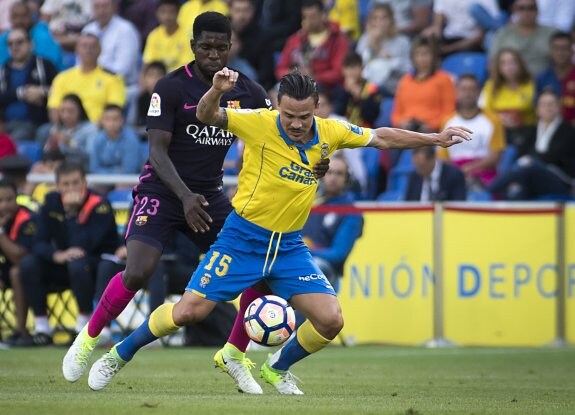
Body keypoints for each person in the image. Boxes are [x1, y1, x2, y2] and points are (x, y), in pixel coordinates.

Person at [86, 70, 471, 394]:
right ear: (278, 107)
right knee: (188, 312)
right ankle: (119, 353)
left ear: (316, 108)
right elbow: (206, 115)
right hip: (243, 238)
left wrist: (435, 139)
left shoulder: (331, 132)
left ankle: (276, 367)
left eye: (304, 116)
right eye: (289, 115)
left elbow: (382, 136)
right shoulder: (258, 122)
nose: (298, 123)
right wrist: (217, 90)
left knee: (331, 321)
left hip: (288, 247)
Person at [62, 12, 329, 394]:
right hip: (162, 191)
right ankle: (87, 340)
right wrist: (184, 196)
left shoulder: (250, 93)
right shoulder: (169, 88)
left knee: (262, 274)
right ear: (193, 46)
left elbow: (281, 140)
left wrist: (317, 161)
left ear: (231, 47)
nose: (214, 54)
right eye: (206, 47)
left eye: (221, 47)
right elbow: (156, 151)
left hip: (208, 197)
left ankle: (234, 356)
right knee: (139, 270)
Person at [19, 161, 119, 344]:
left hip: (97, 265)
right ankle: (42, 329)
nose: (71, 188)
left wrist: (72, 214)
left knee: (78, 263)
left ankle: (84, 325)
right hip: (65, 263)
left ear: (84, 182)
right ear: (57, 186)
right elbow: (38, 243)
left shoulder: (100, 205)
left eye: (75, 183)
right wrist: (56, 255)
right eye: (66, 184)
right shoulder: (51, 202)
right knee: (28, 263)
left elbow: (86, 246)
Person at [487, 89, 575, 199]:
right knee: (517, 187)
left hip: (559, 180)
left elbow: (554, 156)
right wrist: (530, 161)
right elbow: (521, 154)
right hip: (532, 176)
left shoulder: (568, 131)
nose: (547, 108)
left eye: (551, 104)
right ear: (537, 110)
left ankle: (489, 190)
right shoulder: (532, 131)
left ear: (559, 108)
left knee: (529, 163)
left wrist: (532, 161)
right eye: (543, 105)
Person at [301, 156, 363, 293]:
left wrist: (305, 252)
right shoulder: (310, 201)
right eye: (329, 172)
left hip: (326, 270)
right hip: (300, 261)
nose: (333, 177)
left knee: (311, 269)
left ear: (347, 179)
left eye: (339, 173)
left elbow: (338, 254)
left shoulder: (351, 211)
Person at [438, 74, 506, 188]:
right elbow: (442, 157)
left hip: (484, 173)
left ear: (479, 92)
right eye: (463, 89)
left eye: (472, 89)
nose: (467, 93)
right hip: (454, 174)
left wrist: (470, 169)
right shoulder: (447, 121)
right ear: (457, 92)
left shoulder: (493, 120)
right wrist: (458, 172)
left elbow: (496, 156)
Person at [47, 33, 126, 124]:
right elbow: (54, 107)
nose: (88, 50)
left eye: (93, 46)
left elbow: (114, 110)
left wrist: (97, 126)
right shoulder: (62, 77)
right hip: (67, 127)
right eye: (84, 46)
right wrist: (58, 128)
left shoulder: (113, 78)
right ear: (76, 50)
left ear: (100, 50)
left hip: (98, 128)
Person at [275, 0, 349, 94]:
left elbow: (338, 73)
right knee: (274, 92)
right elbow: (280, 69)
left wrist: (314, 77)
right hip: (295, 84)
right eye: (305, 17)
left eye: (313, 16)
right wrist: (294, 74)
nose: (308, 21)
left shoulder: (338, 40)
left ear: (323, 15)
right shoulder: (295, 39)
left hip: (325, 88)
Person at [0, 28, 58, 142]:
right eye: (10, 44)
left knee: (16, 139)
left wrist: (42, 92)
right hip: (6, 124)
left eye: (19, 42)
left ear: (31, 44)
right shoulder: (2, 70)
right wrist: (21, 93)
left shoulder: (44, 65)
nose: (14, 47)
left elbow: (60, 90)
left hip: (36, 122)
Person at [391, 36, 456, 133]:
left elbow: (449, 112)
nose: (422, 58)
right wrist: (402, 123)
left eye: (425, 54)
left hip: (432, 132)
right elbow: (396, 114)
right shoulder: (404, 80)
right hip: (406, 132)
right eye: (418, 54)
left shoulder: (444, 79)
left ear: (433, 56)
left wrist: (431, 125)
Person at [0, 179, 37, 345]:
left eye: (8, 200)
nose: (4, 206)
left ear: (17, 198)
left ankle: (21, 331)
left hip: (34, 272)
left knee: (17, 271)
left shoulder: (27, 219)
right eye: (0, 201)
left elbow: (18, 257)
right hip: (5, 267)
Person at [355, 3, 411, 96]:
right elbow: (359, 67)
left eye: (384, 18)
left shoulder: (402, 42)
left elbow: (408, 70)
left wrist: (391, 60)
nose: (379, 22)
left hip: (394, 88)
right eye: (375, 18)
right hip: (368, 88)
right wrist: (371, 44)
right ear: (370, 21)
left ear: (391, 20)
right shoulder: (365, 39)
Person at [489, 0, 555, 77]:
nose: (526, 12)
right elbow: (492, 63)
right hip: (512, 85)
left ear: (537, 11)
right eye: (521, 8)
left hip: (545, 84)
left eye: (530, 8)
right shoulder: (502, 34)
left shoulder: (552, 33)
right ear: (514, 11)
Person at [89, 104, 143, 175]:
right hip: (102, 180)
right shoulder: (98, 138)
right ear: (102, 121)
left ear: (122, 120)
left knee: (121, 186)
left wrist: (105, 171)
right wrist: (115, 170)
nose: (111, 123)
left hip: (127, 180)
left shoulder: (131, 138)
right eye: (107, 119)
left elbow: (129, 170)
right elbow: (94, 168)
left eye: (115, 119)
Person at [142, 0, 194, 73]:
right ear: (157, 13)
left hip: (180, 77)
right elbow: (148, 63)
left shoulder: (188, 36)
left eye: (171, 12)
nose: (167, 16)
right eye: (163, 12)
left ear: (178, 13)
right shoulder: (153, 35)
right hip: (158, 77)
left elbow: (187, 67)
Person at [535, 32, 575, 126]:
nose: (560, 52)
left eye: (564, 48)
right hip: (550, 129)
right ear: (550, 51)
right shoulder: (542, 77)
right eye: (556, 48)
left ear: (572, 51)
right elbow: (537, 109)